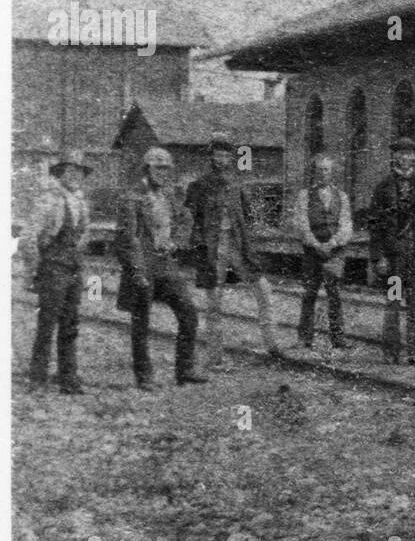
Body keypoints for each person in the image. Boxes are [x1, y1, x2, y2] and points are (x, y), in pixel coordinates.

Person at [184, 133, 283, 369]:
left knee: (264, 292)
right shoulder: (198, 186)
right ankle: (215, 357)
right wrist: (200, 248)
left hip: (238, 246)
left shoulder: (237, 185)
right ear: (211, 157)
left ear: (231, 158)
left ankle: (273, 345)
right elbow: (190, 221)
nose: (222, 159)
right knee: (214, 303)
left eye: (226, 154)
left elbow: (248, 217)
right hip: (212, 250)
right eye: (218, 154)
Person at [115, 147, 206, 389]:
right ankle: (144, 376)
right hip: (142, 264)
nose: (163, 173)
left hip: (165, 264)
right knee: (141, 321)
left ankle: (184, 369)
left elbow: (186, 218)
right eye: (158, 168)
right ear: (147, 169)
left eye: (166, 168)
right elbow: (126, 239)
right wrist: (136, 270)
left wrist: (176, 241)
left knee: (188, 312)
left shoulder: (168, 195)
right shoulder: (132, 196)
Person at [24, 149, 93, 394]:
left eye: (79, 171)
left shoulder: (82, 201)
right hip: (53, 266)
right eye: (70, 170)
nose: (75, 175)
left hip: (73, 267)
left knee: (71, 323)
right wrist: (33, 271)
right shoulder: (49, 200)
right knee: (47, 323)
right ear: (60, 173)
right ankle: (38, 379)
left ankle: (68, 379)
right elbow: (28, 238)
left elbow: (84, 233)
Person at [367, 137, 415, 365]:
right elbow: (374, 225)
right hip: (394, 257)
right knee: (394, 303)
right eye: (400, 153)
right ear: (394, 157)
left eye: (409, 153)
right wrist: (378, 257)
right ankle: (391, 351)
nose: (405, 157)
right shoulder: (383, 188)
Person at [294, 154, 354, 350]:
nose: (323, 173)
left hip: (335, 251)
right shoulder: (304, 196)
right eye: (319, 170)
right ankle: (305, 338)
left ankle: (338, 338)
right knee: (309, 293)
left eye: (326, 169)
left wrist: (333, 242)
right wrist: (315, 244)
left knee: (334, 294)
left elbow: (346, 225)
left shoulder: (342, 197)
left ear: (332, 172)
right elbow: (301, 224)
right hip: (312, 251)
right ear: (314, 173)